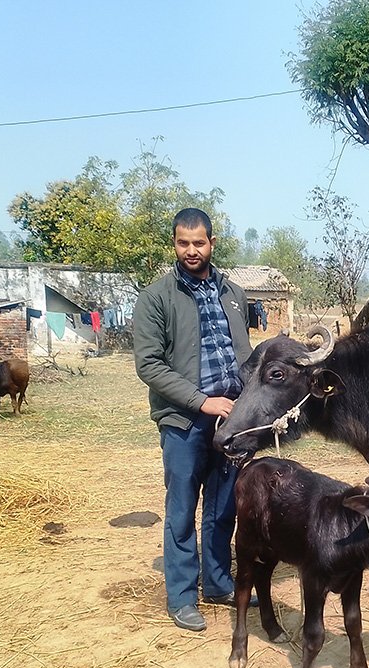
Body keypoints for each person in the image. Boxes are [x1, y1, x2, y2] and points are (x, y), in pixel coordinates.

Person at [134, 208, 256, 633]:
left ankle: (219, 583)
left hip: (232, 421)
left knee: (224, 509)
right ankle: (183, 596)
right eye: (183, 243)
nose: (191, 250)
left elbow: (244, 356)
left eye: (198, 243)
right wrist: (202, 402)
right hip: (184, 422)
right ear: (174, 244)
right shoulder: (156, 298)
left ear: (212, 243)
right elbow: (149, 365)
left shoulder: (234, 294)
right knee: (182, 510)